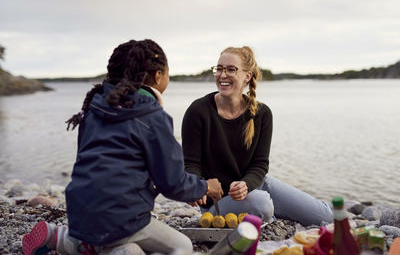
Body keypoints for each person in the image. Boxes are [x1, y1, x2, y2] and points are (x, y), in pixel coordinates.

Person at [22, 39, 223, 255]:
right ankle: (111, 249)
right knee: (181, 245)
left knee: (118, 241)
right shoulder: (152, 117)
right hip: (123, 219)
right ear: (158, 76)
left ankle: (60, 237)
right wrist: (205, 187)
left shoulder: (93, 108)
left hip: (80, 215)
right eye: (168, 74)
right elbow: (172, 183)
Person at [182, 46, 333, 226]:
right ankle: (269, 215)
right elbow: (190, 163)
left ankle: (272, 212)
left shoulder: (262, 113)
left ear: (247, 76)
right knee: (262, 204)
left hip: (256, 183)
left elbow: (260, 164)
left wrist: (246, 184)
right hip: (218, 202)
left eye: (231, 69)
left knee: (328, 218)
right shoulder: (198, 111)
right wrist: (198, 186)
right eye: (219, 68)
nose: (222, 75)